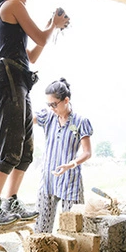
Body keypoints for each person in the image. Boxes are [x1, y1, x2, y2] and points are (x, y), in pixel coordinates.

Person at [0, 0, 70, 226]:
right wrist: (52, 24)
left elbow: (31, 56)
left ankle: (10, 200)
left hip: (18, 78)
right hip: (8, 79)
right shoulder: (12, 5)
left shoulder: (12, 10)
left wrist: (50, 26)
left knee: (25, 150)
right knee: (11, 144)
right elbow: (42, 37)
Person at [35, 78, 92, 234]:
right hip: (48, 179)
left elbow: (87, 152)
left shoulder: (80, 121)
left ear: (66, 100)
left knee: (73, 229)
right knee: (40, 229)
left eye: (54, 104)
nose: (52, 108)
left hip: (70, 180)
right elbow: (27, 118)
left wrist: (71, 164)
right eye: (49, 104)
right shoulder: (48, 117)